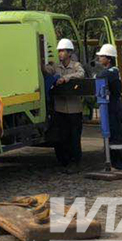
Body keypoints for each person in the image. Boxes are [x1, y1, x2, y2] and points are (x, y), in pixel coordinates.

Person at [44, 39, 86, 171]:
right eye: (59, 51)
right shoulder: (56, 66)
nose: (60, 54)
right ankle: (65, 162)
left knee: (74, 137)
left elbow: (81, 74)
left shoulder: (75, 66)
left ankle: (76, 162)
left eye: (63, 51)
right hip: (60, 108)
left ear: (69, 53)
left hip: (74, 109)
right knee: (62, 137)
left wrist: (66, 78)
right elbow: (46, 71)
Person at [95, 43, 122, 170]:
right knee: (109, 135)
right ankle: (112, 162)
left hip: (114, 107)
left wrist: (95, 75)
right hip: (110, 107)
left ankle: (118, 164)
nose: (99, 58)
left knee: (115, 136)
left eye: (102, 56)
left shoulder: (112, 71)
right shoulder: (109, 71)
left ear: (109, 58)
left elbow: (101, 76)